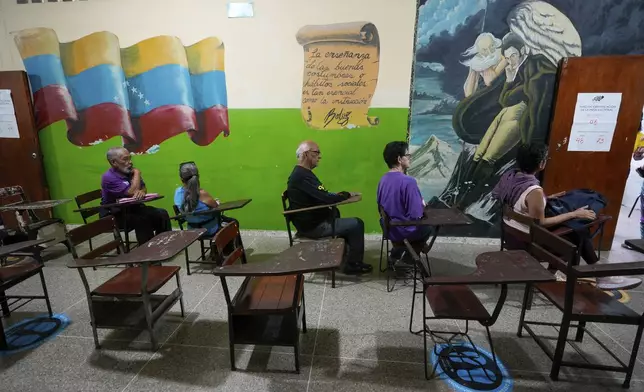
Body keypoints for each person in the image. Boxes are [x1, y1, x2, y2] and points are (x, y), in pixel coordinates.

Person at [493, 143, 641, 290]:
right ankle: (601, 276)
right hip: (526, 242)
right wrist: (574, 213)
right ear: (541, 163)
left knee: (575, 228)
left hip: (510, 234)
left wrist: (546, 198)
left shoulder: (510, 176)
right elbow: (541, 223)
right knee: (577, 232)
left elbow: (520, 203)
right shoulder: (534, 190)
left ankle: (591, 274)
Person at [286, 141, 371, 274]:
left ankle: (344, 255)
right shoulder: (302, 176)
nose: (319, 156)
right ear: (306, 154)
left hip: (312, 222)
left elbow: (321, 194)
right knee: (357, 223)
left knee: (337, 214)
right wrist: (346, 194)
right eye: (316, 152)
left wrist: (339, 195)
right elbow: (326, 198)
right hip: (313, 227)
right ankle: (353, 265)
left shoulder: (302, 173)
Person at [100, 147, 171, 245]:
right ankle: (147, 252)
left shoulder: (129, 171)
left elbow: (143, 188)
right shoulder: (108, 177)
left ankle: (164, 244)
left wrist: (142, 191)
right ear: (114, 162)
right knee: (141, 219)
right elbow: (132, 192)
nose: (130, 162)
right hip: (115, 214)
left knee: (161, 213)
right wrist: (137, 173)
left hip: (132, 209)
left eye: (130, 158)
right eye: (125, 159)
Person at [377, 141, 432, 260]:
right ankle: (408, 259)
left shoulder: (383, 180)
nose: (410, 158)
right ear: (399, 159)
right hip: (404, 231)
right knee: (428, 228)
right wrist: (422, 205)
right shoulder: (408, 181)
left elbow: (380, 206)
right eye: (407, 155)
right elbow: (416, 214)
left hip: (389, 229)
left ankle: (396, 254)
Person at [174, 161, 237, 236]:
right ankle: (226, 246)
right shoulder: (202, 193)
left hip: (191, 230)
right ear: (198, 177)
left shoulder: (177, 193)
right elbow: (216, 207)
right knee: (234, 222)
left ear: (181, 179)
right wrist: (217, 202)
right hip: (209, 229)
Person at [461, 32, 507, 97]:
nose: (489, 52)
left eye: (491, 46)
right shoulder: (477, 62)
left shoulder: (502, 53)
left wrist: (487, 66)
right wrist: (475, 67)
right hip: (488, 93)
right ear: (479, 52)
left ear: (495, 43)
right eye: (484, 50)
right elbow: (468, 93)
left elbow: (490, 81)